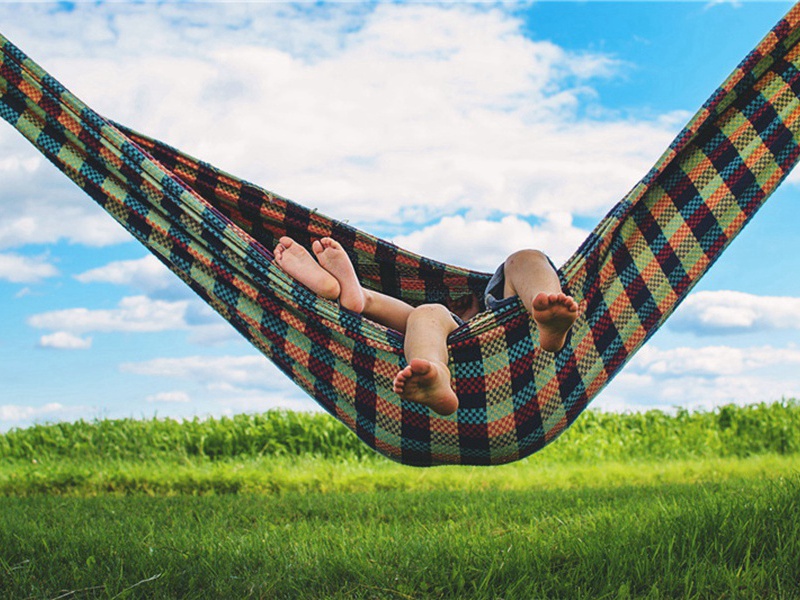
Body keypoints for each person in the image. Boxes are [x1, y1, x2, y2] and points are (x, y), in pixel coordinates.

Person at [273, 236, 581, 416]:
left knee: (524, 258)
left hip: (522, 332)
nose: (454, 304)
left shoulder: (498, 303)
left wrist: (536, 303)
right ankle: (356, 297)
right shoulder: (437, 317)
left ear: (479, 295)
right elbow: (427, 316)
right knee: (424, 314)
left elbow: (512, 274)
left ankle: (548, 310)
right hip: (443, 358)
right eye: (453, 303)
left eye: (462, 301)